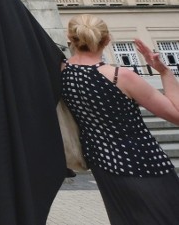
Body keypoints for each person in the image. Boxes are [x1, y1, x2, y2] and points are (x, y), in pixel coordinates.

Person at [60, 14, 179, 224]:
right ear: (107, 40)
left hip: (103, 163)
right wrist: (164, 71)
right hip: (144, 163)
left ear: (70, 38)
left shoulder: (63, 72)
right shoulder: (120, 76)